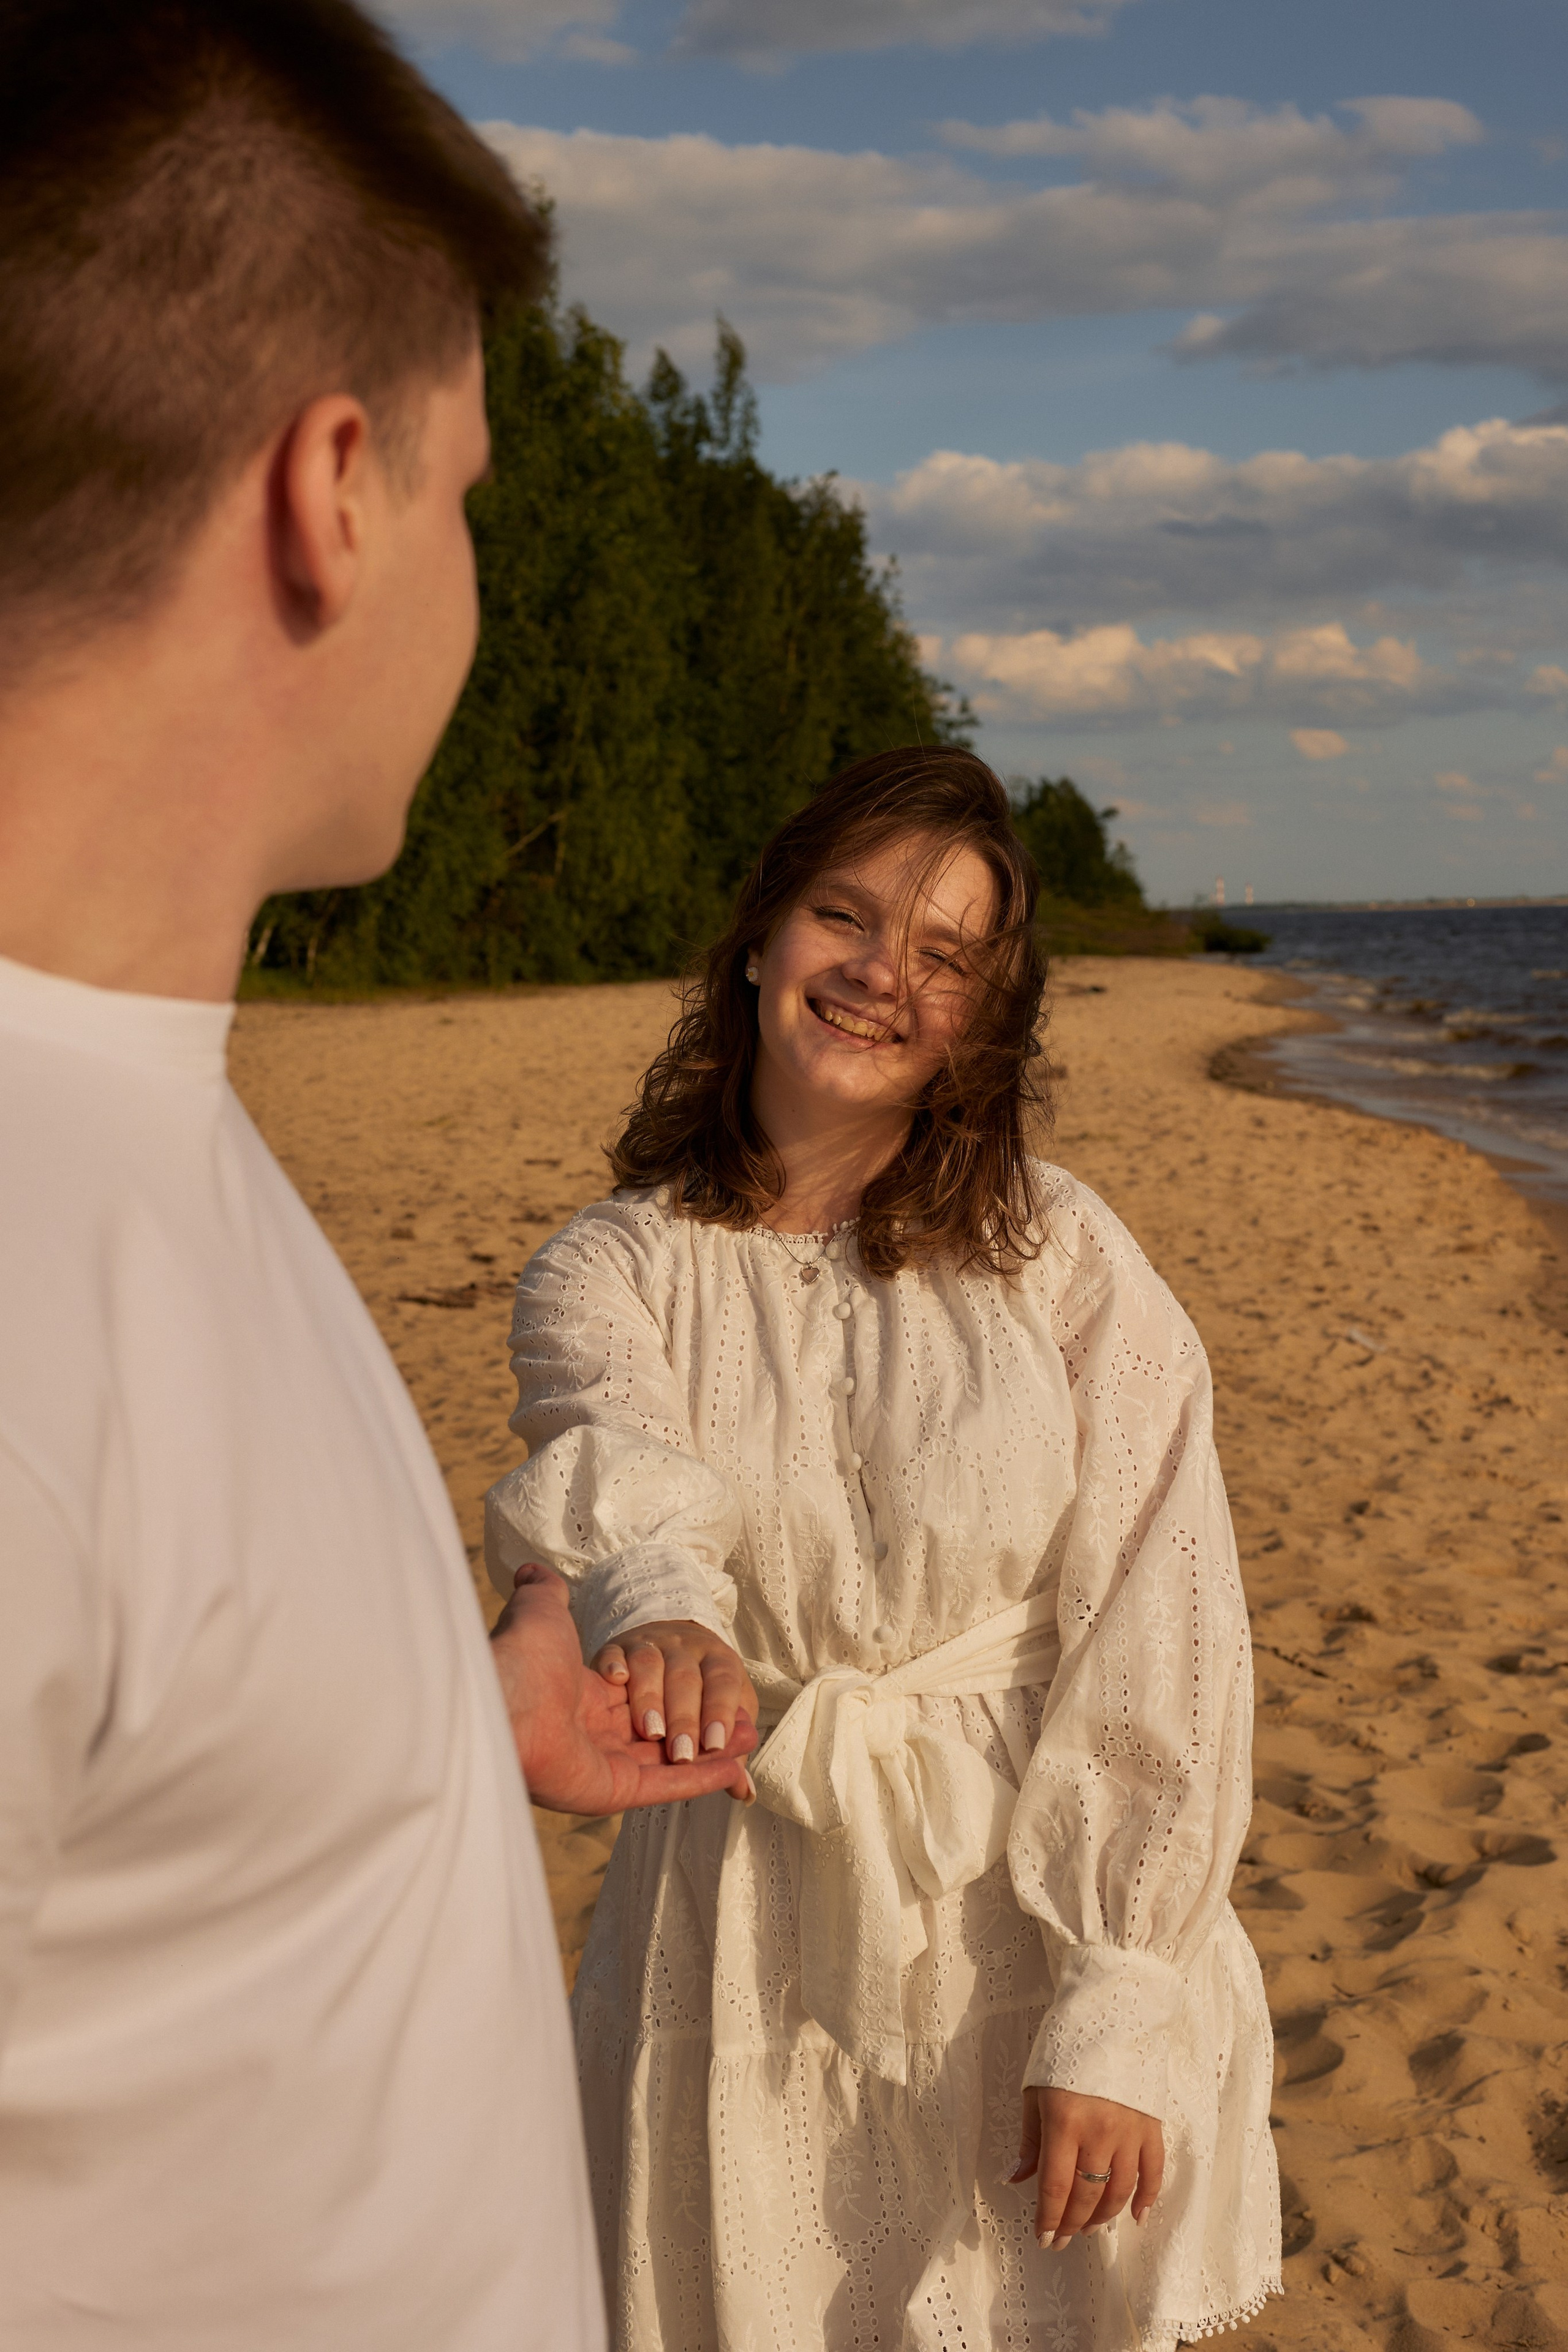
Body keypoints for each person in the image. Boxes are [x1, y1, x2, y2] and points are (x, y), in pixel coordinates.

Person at [0, 4, 752, 2345]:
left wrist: (430, 1711)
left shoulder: (135, 1114)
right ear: (334, 488)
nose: (472, 575)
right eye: (473, 496)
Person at [485, 747, 1283, 2351]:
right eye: (843, 918)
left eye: (942, 955)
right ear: (762, 941)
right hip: (738, 1891)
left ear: (988, 1014)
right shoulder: (613, 1265)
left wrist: (1119, 1999)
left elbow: (1162, 1608)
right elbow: (620, 1459)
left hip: (1023, 1907)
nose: (878, 976)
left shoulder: (1060, 1251)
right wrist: (668, 1615)